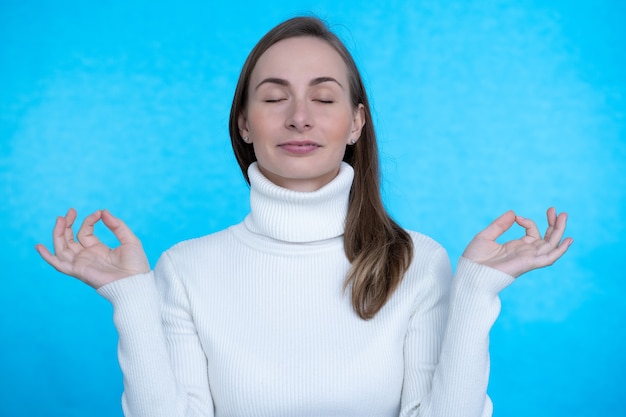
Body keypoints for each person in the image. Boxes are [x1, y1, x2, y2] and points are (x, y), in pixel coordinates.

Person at [35, 16, 572, 417]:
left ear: (356, 123)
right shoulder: (185, 268)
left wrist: (477, 290)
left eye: (323, 98)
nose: (299, 118)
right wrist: (130, 296)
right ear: (244, 123)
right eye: (274, 99)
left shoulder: (417, 261)